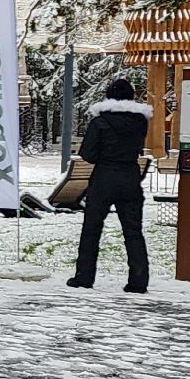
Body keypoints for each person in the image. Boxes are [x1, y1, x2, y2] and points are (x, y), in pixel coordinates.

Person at [68, 78, 151, 293]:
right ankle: (138, 280)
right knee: (133, 230)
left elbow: (87, 154)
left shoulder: (100, 122)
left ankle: (84, 276)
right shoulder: (141, 121)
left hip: (103, 178)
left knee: (92, 228)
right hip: (130, 177)